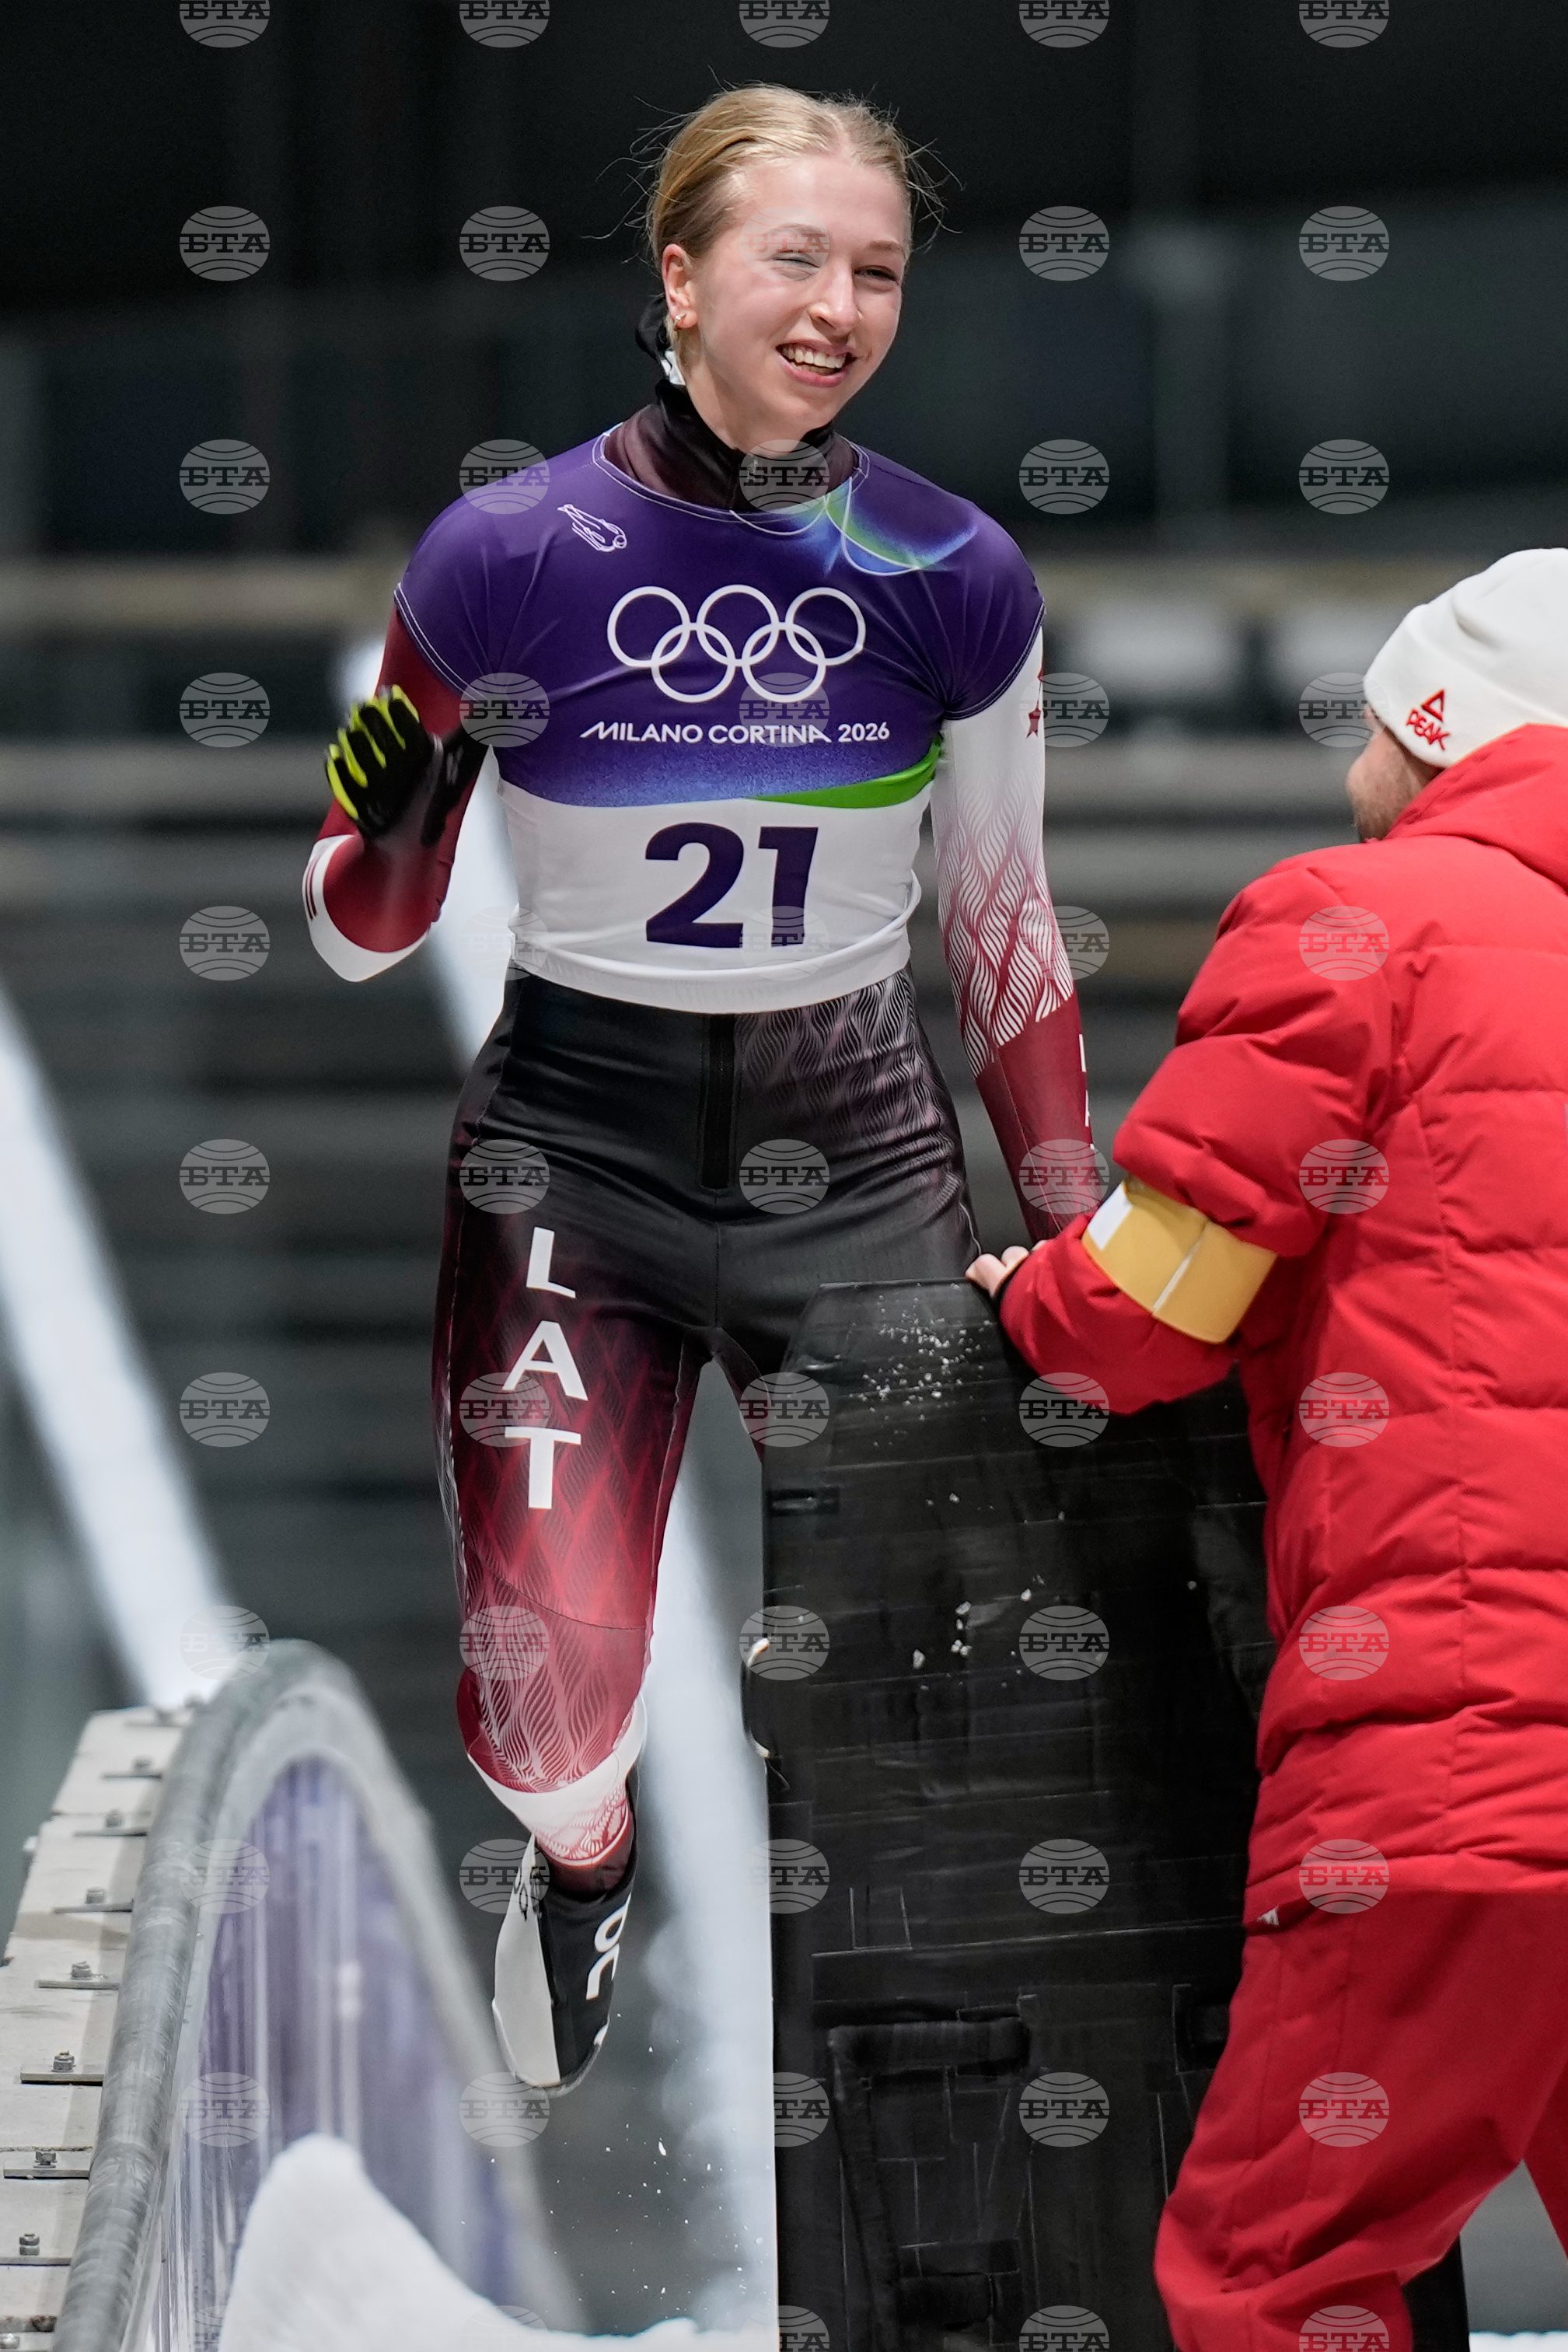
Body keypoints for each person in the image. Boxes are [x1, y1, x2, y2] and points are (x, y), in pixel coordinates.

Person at [303, 86, 1088, 2093]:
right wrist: (386, 842)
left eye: (879, 271)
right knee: (540, 1716)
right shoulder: (502, 552)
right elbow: (353, 930)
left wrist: (1069, 1212)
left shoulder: (953, 568)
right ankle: (583, 1865)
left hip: (862, 1149)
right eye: (792, 259)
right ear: (678, 274)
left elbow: (999, 911)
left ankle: (927, 2097)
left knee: (926, 1684)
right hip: (579, 1148)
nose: (838, 305)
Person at [968, 547, 1568, 2352]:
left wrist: (1029, 1297)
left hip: (1452, 1766)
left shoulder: (1360, 922)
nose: (1352, 774)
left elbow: (1163, 1295)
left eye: (1373, 732)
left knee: (1279, 2274)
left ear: (1442, 723)